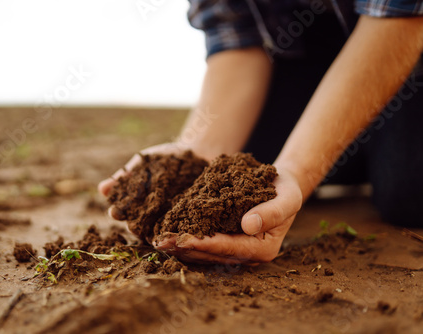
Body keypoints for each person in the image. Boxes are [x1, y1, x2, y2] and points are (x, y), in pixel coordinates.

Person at [99, 0, 423, 265]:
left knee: (408, 191)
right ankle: (363, 149)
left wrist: (300, 169)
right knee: (248, 163)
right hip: (307, 48)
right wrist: (194, 151)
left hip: (403, 33)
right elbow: (238, 39)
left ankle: (372, 151)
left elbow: (401, 18)